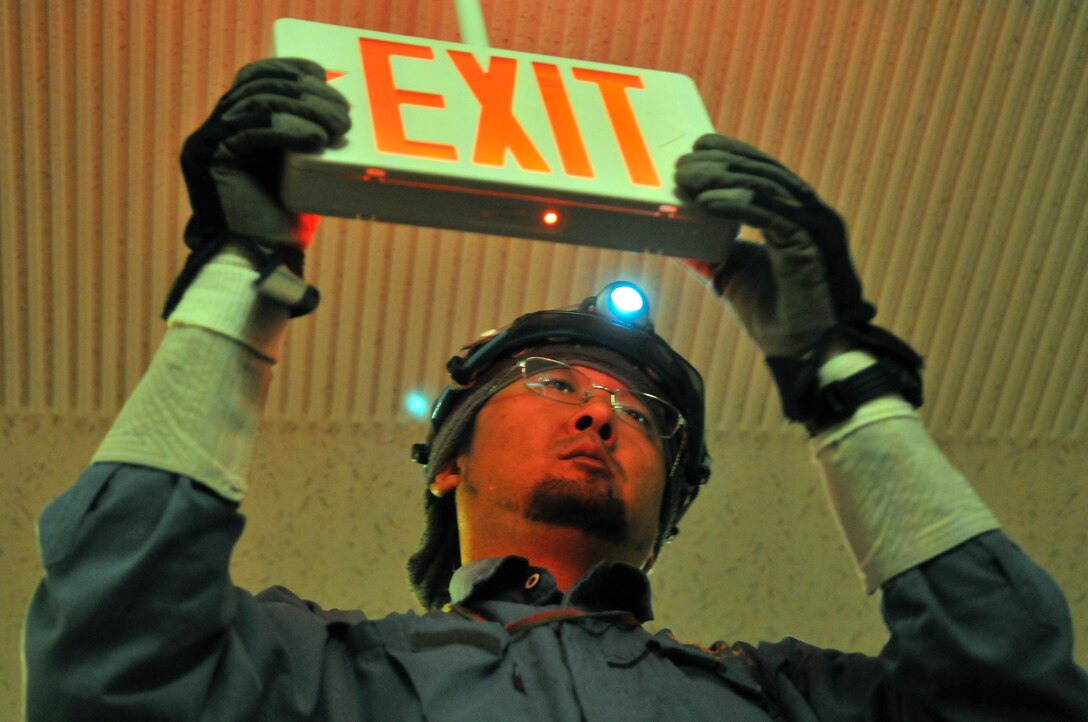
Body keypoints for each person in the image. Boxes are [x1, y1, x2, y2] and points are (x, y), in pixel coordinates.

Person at [23, 58, 1088, 721]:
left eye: (644, 415)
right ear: (445, 461)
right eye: (552, 381)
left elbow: (1010, 686)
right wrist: (233, 280)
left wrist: (843, 381)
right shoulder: (319, 677)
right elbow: (109, 653)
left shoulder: (784, 697)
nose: (599, 413)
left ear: (667, 511)